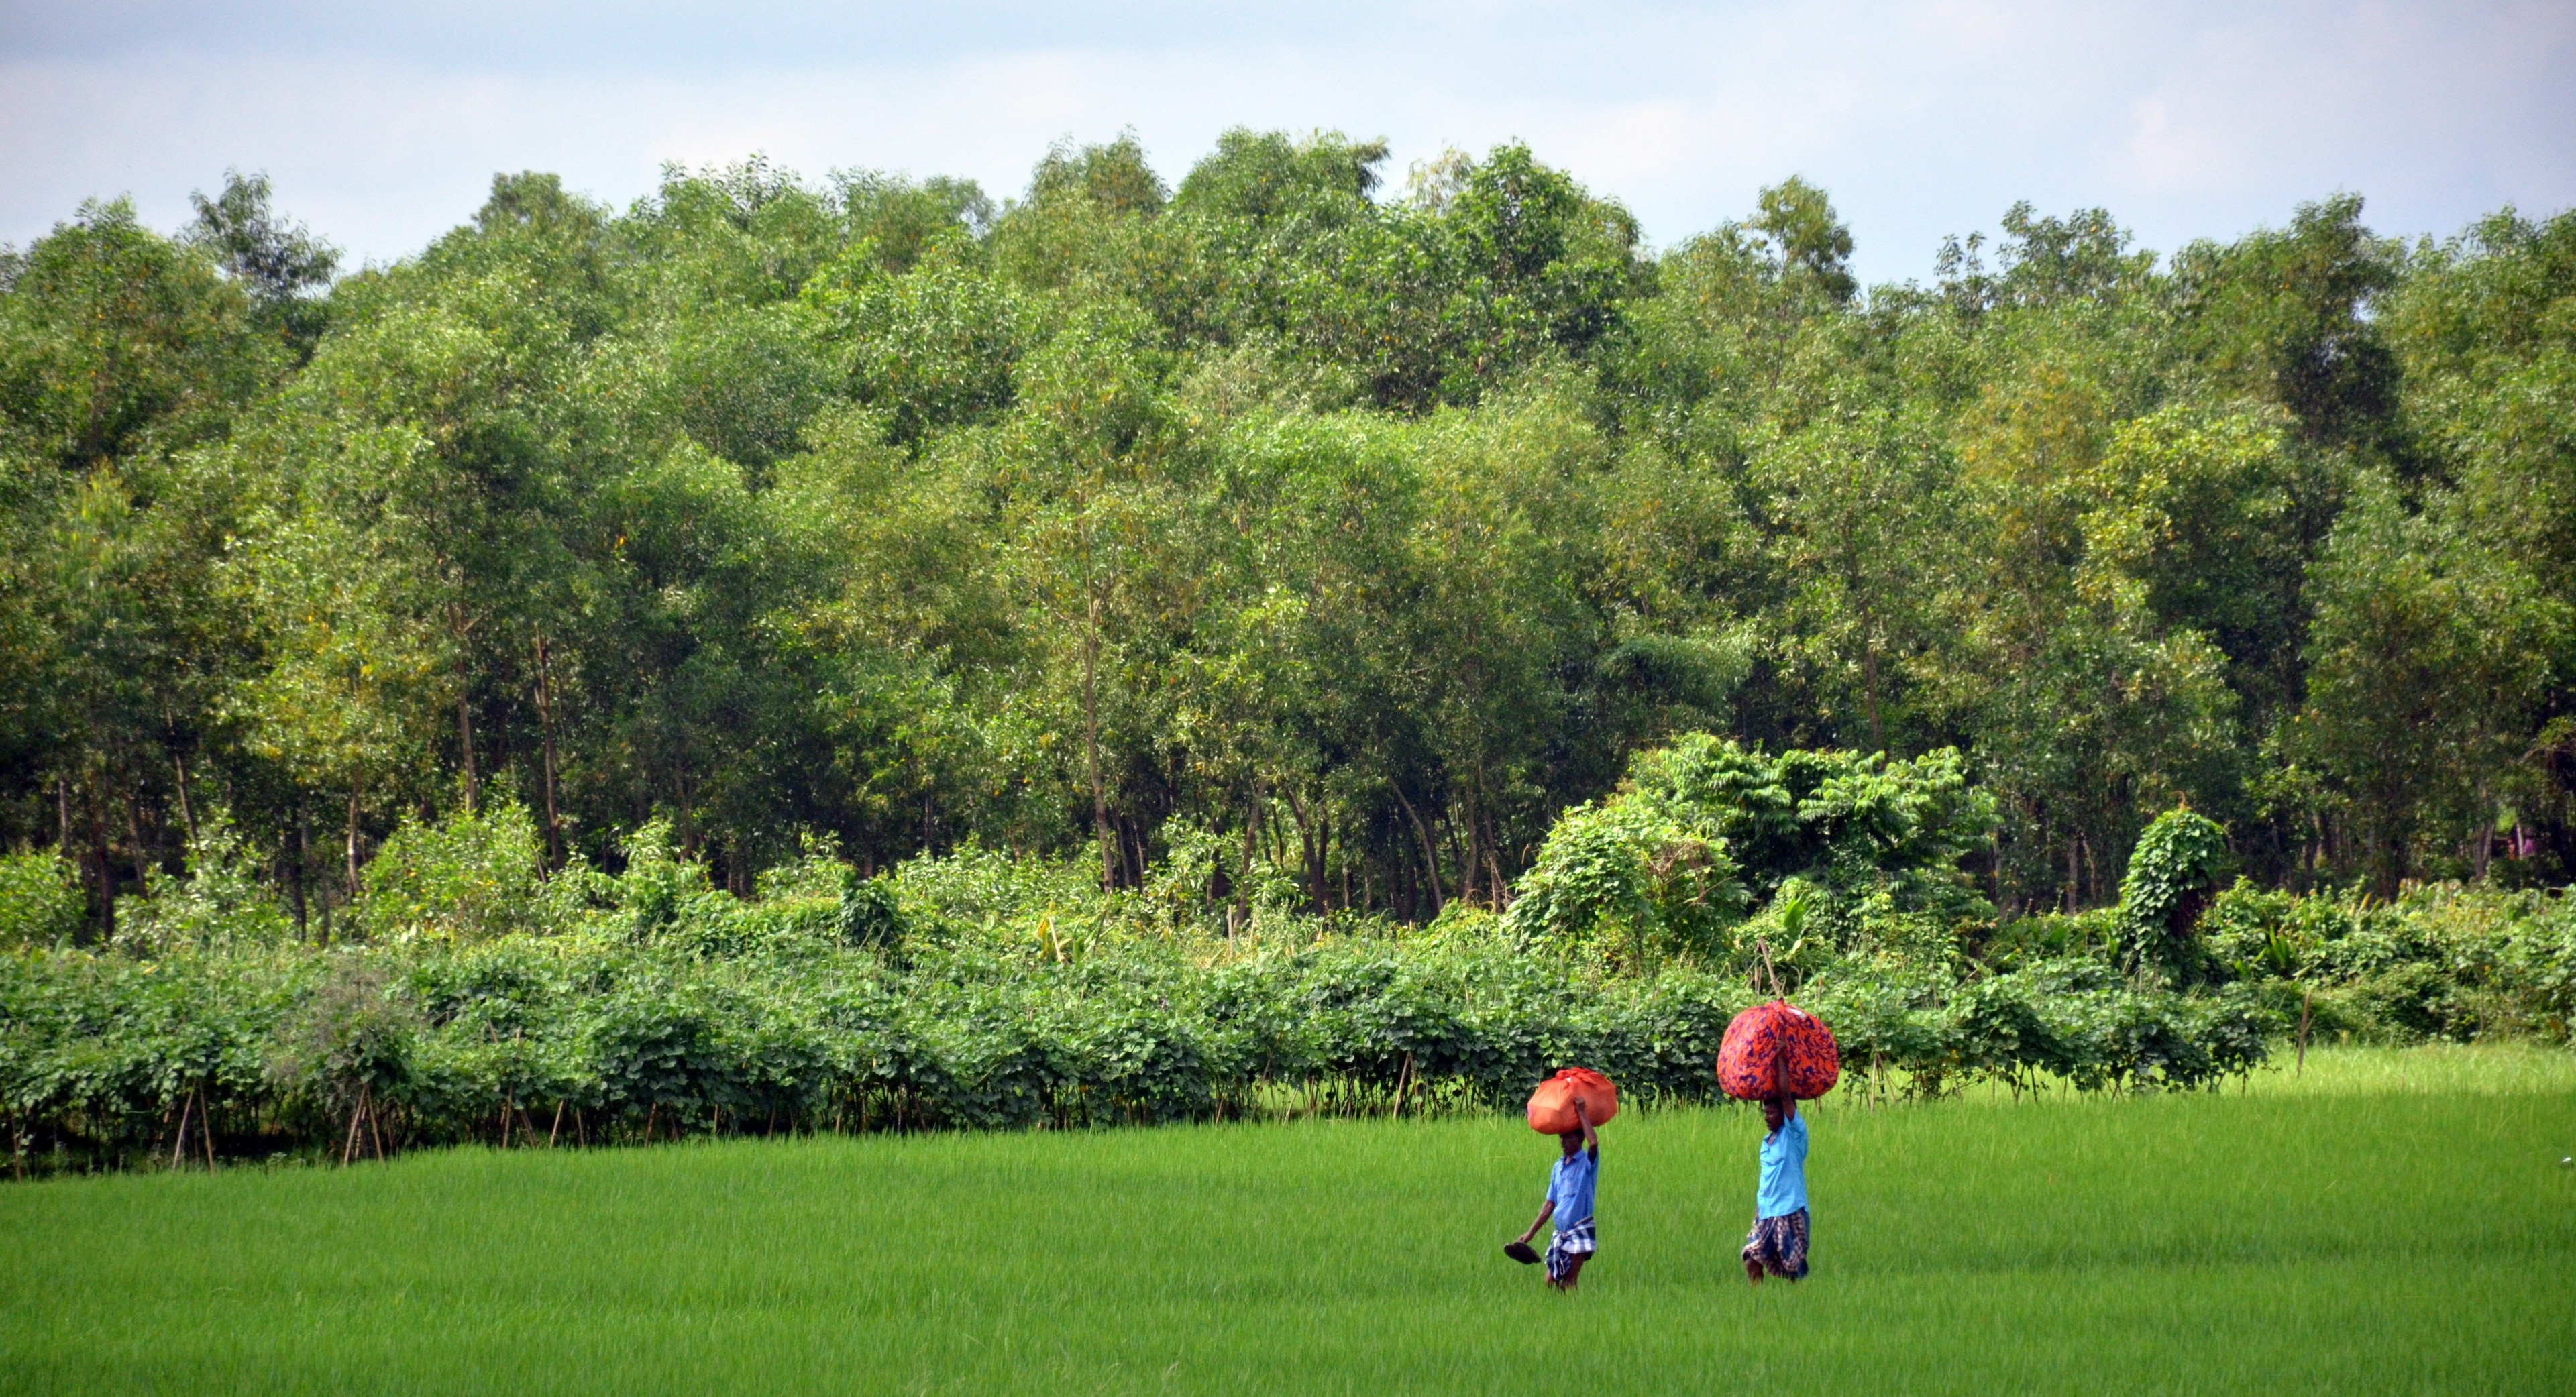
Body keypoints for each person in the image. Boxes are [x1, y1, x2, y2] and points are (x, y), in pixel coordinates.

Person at [1514, 1098, 1599, 1291]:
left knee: (1569, 1282)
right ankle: (1560, 1314)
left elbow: (1593, 1144)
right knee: (1550, 1281)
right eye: (1561, 1137)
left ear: (1579, 1139)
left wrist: (1582, 1112)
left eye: (1567, 1137)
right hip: (1560, 1233)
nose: (1562, 1141)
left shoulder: (1587, 1164)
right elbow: (1549, 1205)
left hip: (1580, 1229)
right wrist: (1530, 1234)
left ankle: (1574, 1316)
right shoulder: (1558, 1167)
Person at [1741, 1095, 1809, 1283]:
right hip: (1766, 1212)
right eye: (1766, 1112)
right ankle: (1757, 1304)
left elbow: (1786, 1098)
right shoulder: (1767, 1142)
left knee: (1793, 1268)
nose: (1767, 1117)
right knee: (1751, 1258)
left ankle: (1798, 1305)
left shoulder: (1794, 1135)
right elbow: (1767, 1179)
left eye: (1772, 1113)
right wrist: (1759, 1209)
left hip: (1790, 1210)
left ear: (1785, 1114)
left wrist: (1779, 1063)